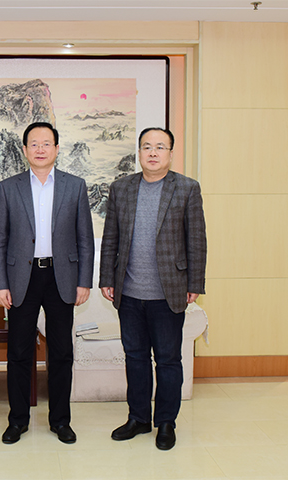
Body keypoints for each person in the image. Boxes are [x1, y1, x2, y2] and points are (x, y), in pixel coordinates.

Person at [99, 127, 207, 451]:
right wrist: (106, 278)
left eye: (160, 147)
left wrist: (195, 283)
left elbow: (197, 240)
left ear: (170, 153)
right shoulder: (121, 188)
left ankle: (166, 422)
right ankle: (139, 418)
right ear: (139, 152)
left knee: (168, 360)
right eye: (147, 147)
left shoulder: (187, 188)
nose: (153, 152)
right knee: (135, 358)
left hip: (169, 292)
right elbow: (111, 237)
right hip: (129, 292)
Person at [0, 122, 94, 445]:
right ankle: (18, 420)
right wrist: (0, 284)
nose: (40, 149)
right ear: (24, 150)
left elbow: (85, 239)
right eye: (33, 143)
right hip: (22, 277)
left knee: (61, 352)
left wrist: (84, 281)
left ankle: (60, 420)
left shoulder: (75, 186)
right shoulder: (9, 187)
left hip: (62, 277)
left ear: (57, 149)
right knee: (18, 351)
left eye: (46, 143)